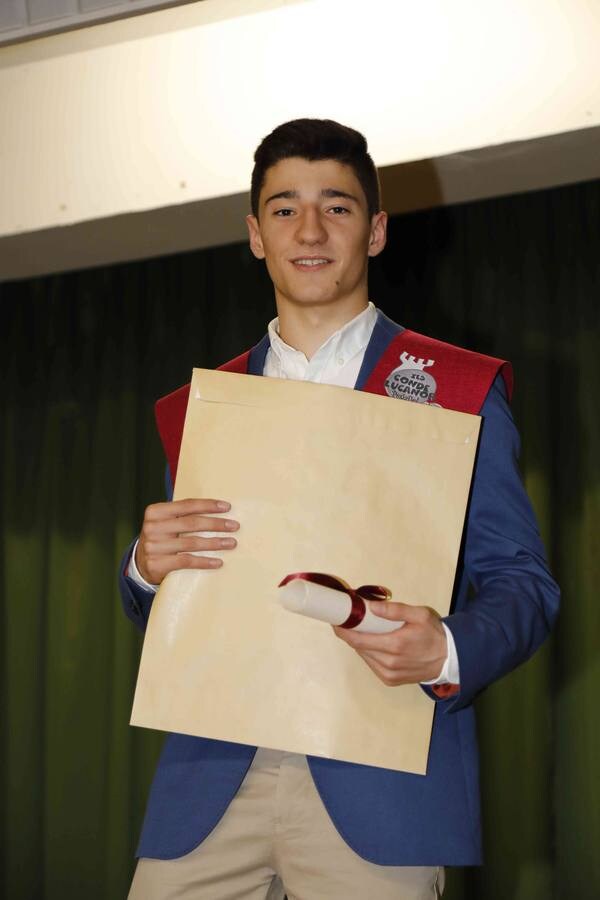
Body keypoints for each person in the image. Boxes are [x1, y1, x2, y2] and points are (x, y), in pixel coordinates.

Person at [120, 119, 560, 899]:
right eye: (285, 209)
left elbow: (524, 585)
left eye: (339, 207)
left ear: (378, 230)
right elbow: (177, 605)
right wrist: (144, 570)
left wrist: (449, 648)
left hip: (380, 779)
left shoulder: (456, 390)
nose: (311, 230)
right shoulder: (203, 405)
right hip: (212, 776)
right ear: (256, 235)